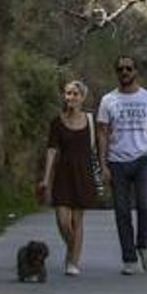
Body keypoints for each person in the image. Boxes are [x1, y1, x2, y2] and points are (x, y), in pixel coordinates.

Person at [97, 55, 147, 275]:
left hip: (144, 157)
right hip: (117, 161)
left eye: (128, 68)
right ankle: (129, 258)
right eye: (120, 69)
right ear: (116, 73)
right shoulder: (108, 100)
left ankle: (143, 245)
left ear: (136, 71)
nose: (124, 72)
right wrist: (103, 165)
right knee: (122, 211)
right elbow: (102, 134)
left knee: (146, 205)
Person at [37, 80, 100, 276]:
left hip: (83, 172)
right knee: (63, 220)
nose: (70, 97)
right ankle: (72, 250)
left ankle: (72, 261)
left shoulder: (90, 121)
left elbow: (99, 145)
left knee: (77, 220)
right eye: (68, 93)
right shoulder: (57, 122)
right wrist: (46, 179)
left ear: (82, 97)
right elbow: (51, 150)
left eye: (74, 94)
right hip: (63, 173)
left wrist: (105, 168)